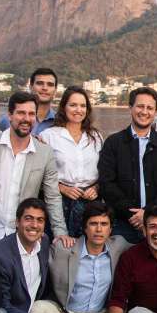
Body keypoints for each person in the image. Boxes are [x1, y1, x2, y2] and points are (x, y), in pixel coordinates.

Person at [0, 91, 68, 246]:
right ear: (10, 115)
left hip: (22, 238)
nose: (26, 119)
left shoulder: (45, 152)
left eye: (31, 114)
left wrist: (60, 232)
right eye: (21, 113)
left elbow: (53, 196)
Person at [97, 86, 157, 244]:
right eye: (140, 106)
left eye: (150, 108)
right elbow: (107, 184)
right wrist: (134, 214)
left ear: (155, 112)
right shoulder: (114, 143)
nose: (144, 112)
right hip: (122, 222)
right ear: (130, 108)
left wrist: (148, 213)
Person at [39, 86, 102, 239]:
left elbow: (104, 170)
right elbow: (38, 174)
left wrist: (97, 187)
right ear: (64, 107)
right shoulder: (48, 136)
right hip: (61, 202)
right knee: (62, 247)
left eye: (82, 106)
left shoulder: (96, 137)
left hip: (91, 202)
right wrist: (62, 188)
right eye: (73, 105)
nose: (78, 110)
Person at [0, 68, 58, 135]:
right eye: (40, 83)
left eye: (50, 84)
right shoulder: (8, 120)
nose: (44, 88)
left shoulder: (60, 123)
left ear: (55, 90)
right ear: (31, 87)